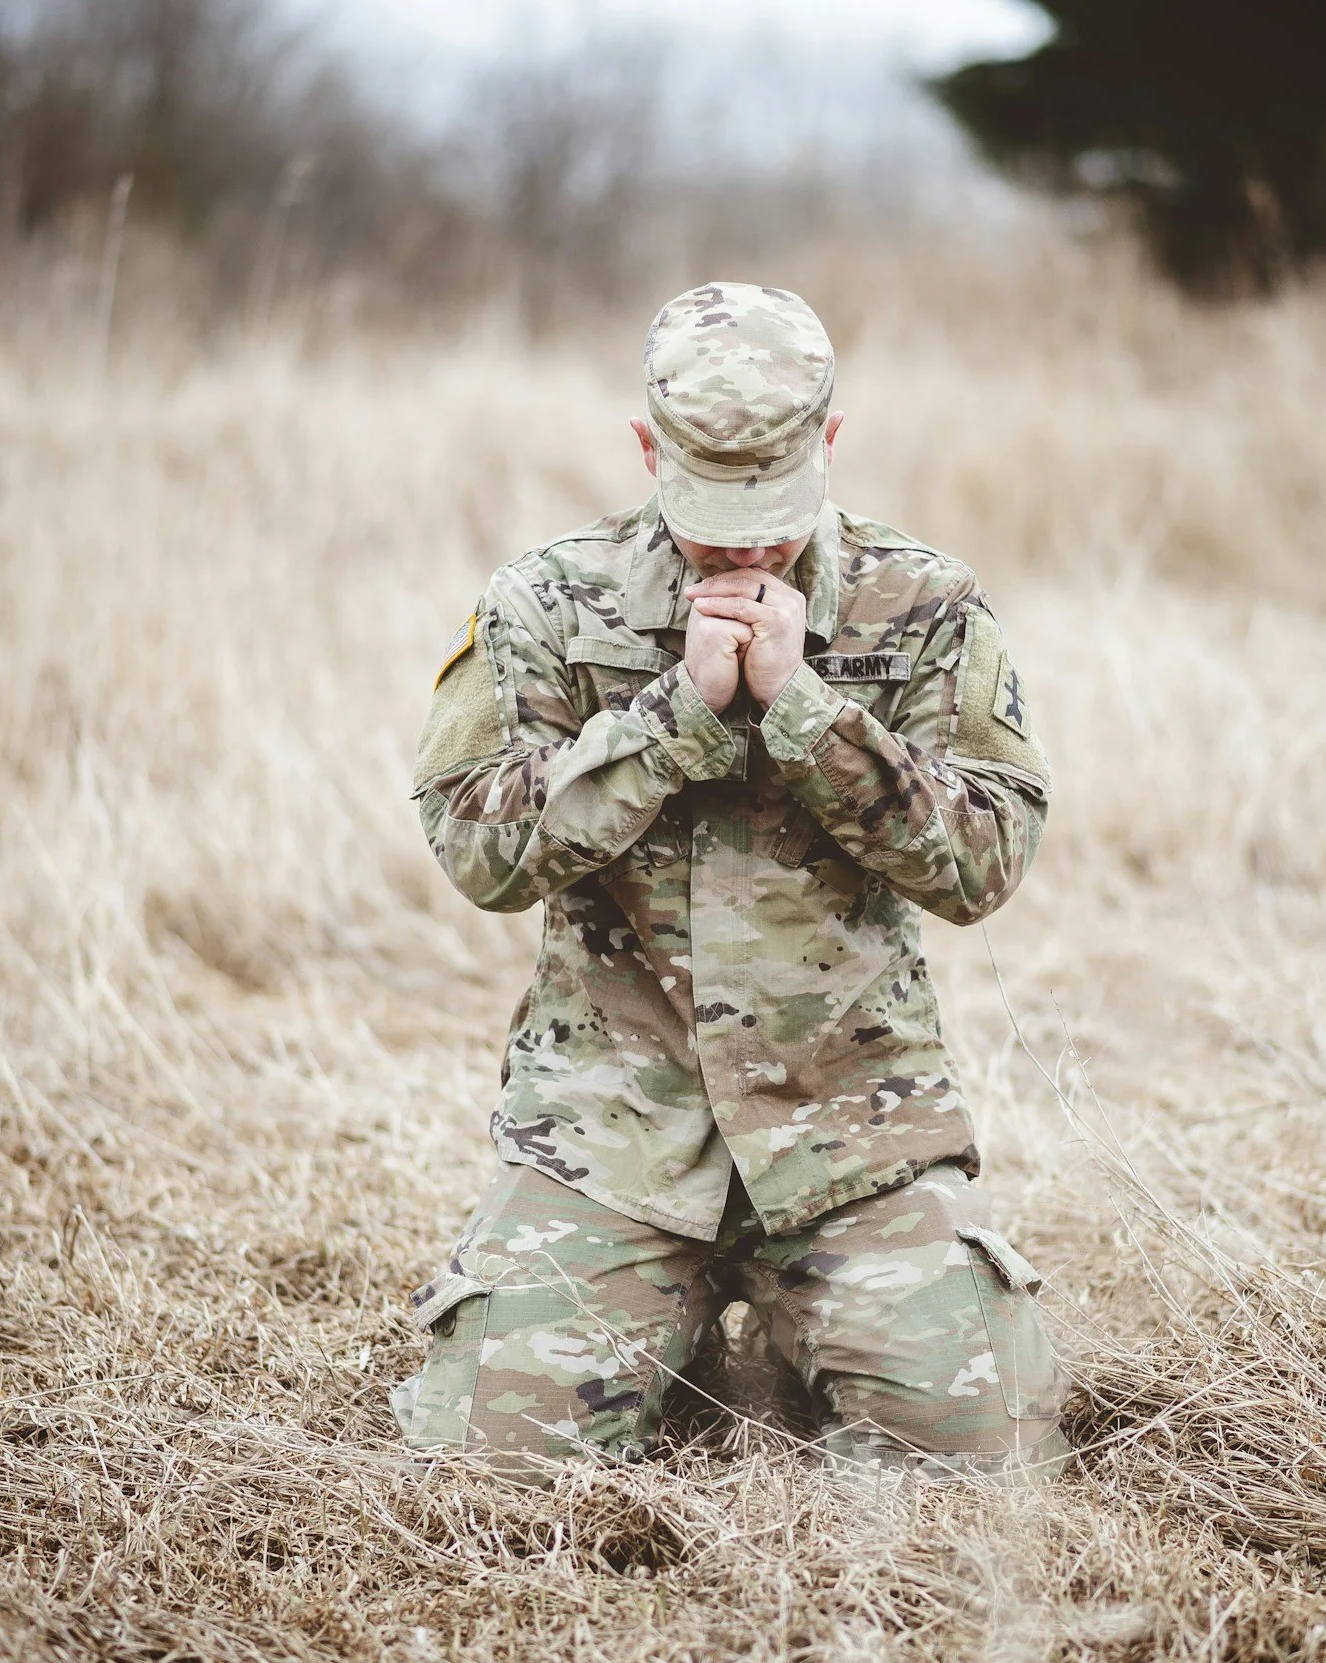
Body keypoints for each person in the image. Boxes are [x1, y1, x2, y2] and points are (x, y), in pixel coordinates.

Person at [393, 281, 1065, 1481]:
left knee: (984, 1456)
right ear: (647, 448)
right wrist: (673, 718)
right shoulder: (547, 602)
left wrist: (805, 713)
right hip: (613, 1137)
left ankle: (780, 1327)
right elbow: (476, 849)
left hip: (852, 1135)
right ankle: (669, 1327)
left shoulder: (923, 605)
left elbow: (985, 861)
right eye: (712, 511)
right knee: (481, 1469)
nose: (744, 545)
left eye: (771, 506)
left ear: (833, 442)